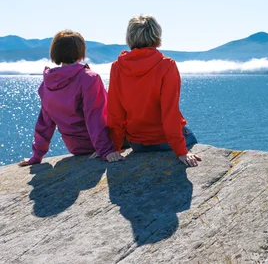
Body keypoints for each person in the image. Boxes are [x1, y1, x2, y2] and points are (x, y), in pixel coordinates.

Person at [19, 30, 123, 166]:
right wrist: (106, 150)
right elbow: (95, 117)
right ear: (80, 52)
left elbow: (45, 123)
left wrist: (37, 155)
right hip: (100, 143)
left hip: (76, 148)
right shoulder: (89, 78)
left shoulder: (47, 83)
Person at [107, 14, 201, 167]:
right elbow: (170, 112)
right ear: (156, 35)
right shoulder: (167, 65)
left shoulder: (117, 67)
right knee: (190, 135)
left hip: (137, 144)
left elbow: (115, 111)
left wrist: (114, 148)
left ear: (130, 37)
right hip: (165, 142)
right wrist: (181, 151)